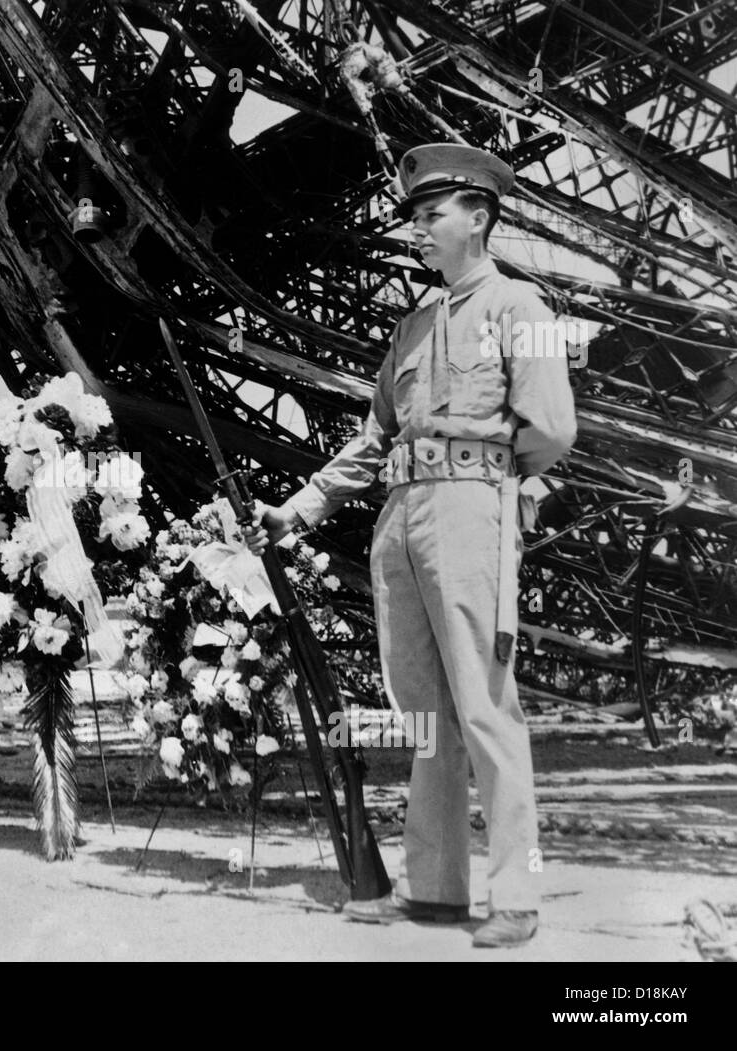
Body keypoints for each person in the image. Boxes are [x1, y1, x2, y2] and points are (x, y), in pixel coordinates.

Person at [246, 144, 577, 947]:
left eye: (432, 216)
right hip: (400, 516)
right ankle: (434, 889)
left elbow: (555, 428)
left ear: (480, 218)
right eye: (415, 217)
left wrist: (496, 485)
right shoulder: (414, 325)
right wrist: (299, 508)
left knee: (488, 708)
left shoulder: (522, 310)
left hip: (470, 512)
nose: (418, 231)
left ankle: (516, 897)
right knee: (425, 713)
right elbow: (373, 438)